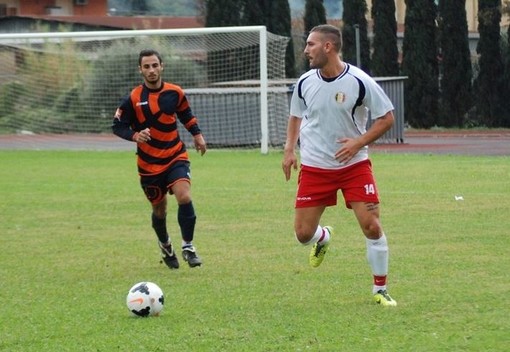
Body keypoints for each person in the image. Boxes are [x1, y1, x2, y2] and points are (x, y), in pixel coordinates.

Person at [282, 25, 397, 306]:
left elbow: (387, 117)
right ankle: (323, 236)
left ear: (328, 47)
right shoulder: (305, 82)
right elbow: (296, 115)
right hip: (314, 166)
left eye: (310, 44)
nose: (306, 50)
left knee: (371, 225)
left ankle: (379, 290)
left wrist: (358, 142)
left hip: (354, 165)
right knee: (302, 235)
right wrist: (288, 150)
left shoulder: (359, 81)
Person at [112, 49, 206, 269]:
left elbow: (186, 114)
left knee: (184, 196)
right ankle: (165, 245)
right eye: (147, 66)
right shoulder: (133, 98)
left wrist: (198, 135)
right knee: (159, 210)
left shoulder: (175, 92)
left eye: (155, 65)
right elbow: (117, 126)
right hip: (149, 165)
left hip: (175, 155)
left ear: (162, 66)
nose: (151, 70)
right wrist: (135, 135)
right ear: (140, 70)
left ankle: (188, 246)